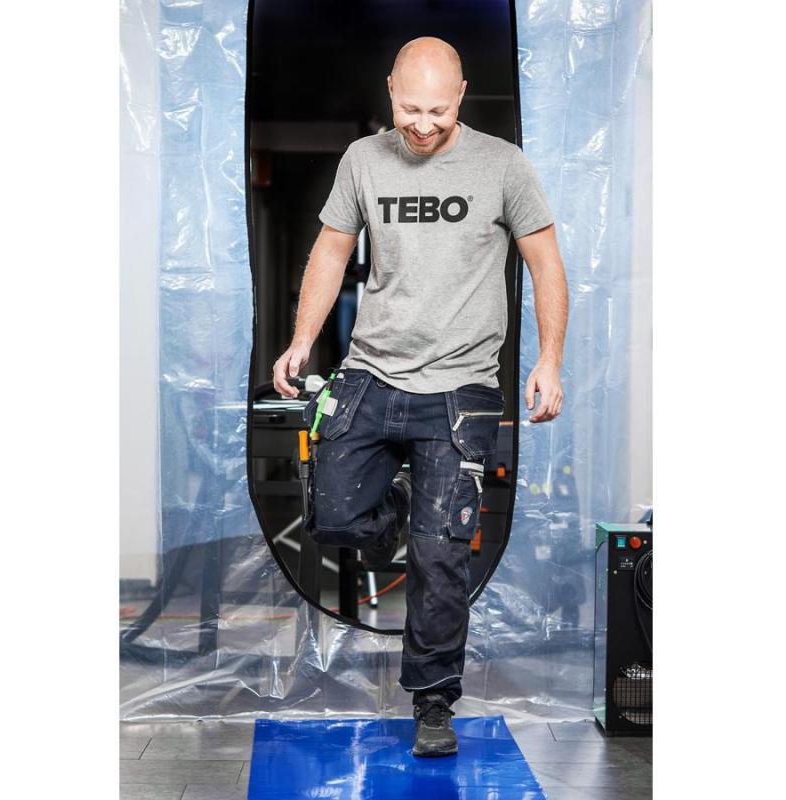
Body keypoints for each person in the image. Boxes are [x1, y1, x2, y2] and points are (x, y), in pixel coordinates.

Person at [273, 36, 568, 757]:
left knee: (441, 557)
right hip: (372, 373)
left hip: (462, 386)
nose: (424, 124)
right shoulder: (363, 160)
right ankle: (402, 509)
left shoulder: (503, 165)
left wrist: (550, 359)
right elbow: (332, 250)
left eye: (438, 110)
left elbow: (545, 262)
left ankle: (433, 702)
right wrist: (302, 339)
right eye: (411, 109)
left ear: (460, 95)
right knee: (334, 515)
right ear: (390, 91)